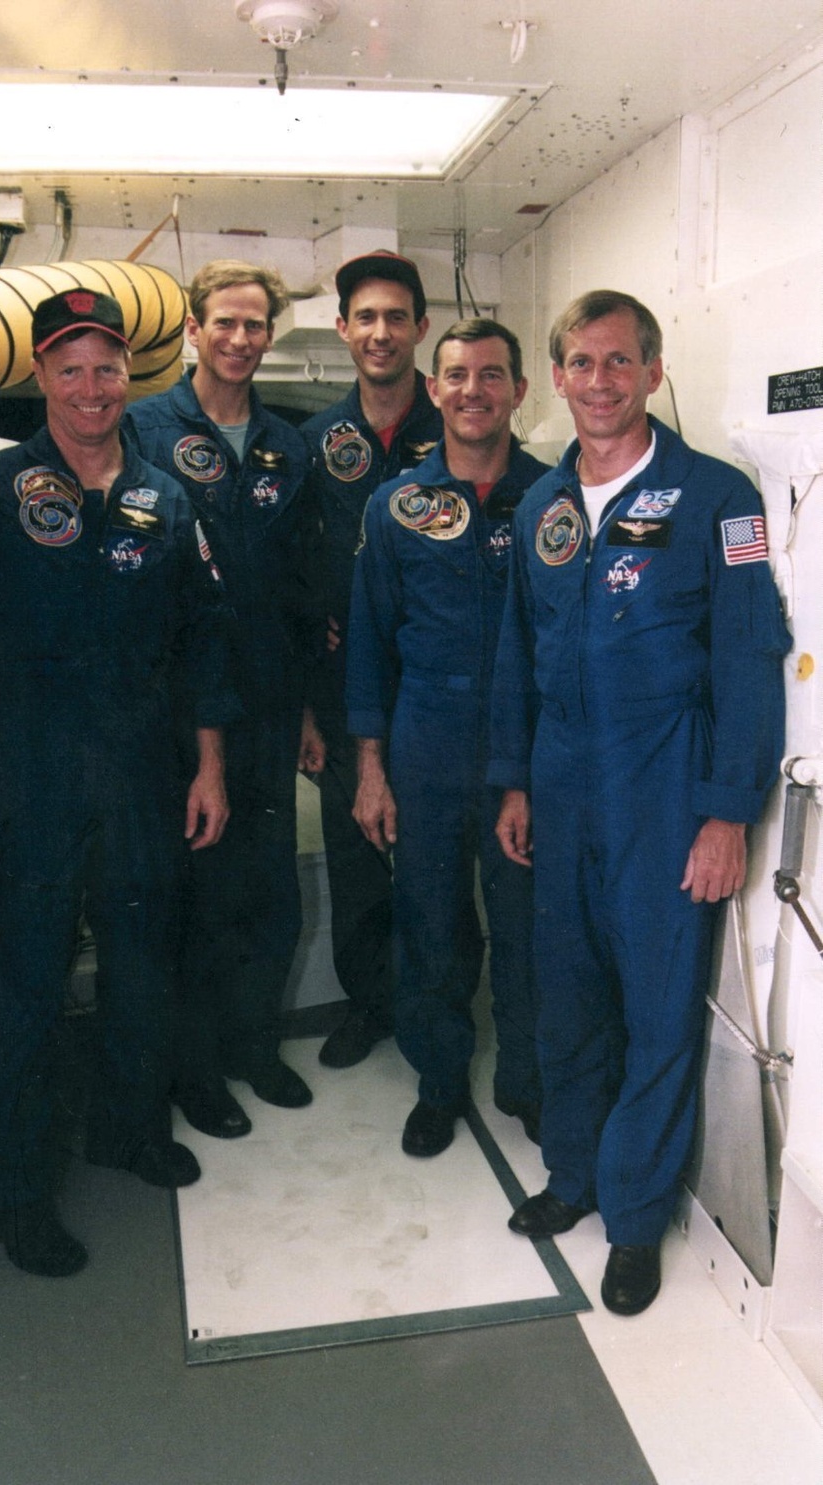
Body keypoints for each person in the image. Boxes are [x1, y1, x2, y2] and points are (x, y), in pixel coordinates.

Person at [0, 289, 234, 1277]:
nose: (90, 387)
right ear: (41, 377)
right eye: (70, 367)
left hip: (140, 775)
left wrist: (211, 766)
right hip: (28, 778)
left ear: (126, 376)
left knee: (141, 970)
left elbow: (204, 645)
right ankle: (12, 1195)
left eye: (106, 367)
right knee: (25, 988)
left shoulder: (164, 496)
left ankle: (127, 1131)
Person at [491, 289, 789, 1315]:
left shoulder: (719, 497)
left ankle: (629, 1220)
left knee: (657, 1018)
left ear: (653, 373)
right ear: (559, 378)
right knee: (567, 1001)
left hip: (663, 795)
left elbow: (751, 660)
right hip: (564, 793)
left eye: (620, 361)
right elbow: (518, 655)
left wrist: (723, 813)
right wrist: (518, 784)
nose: (601, 381)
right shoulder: (543, 508)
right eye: (580, 362)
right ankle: (571, 1177)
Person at [125, 260, 325, 1140]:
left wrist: (313, 714)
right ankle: (196, 1070)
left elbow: (305, 589)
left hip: (274, 706)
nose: (241, 339)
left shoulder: (290, 444)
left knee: (269, 890)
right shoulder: (142, 427)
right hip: (177, 715)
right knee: (198, 897)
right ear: (194, 331)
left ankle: (253, 1046)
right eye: (225, 323)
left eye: (256, 324)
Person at [346, 318, 549, 1157]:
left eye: (491, 375)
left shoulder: (555, 499)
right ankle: (438, 1080)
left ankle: (528, 1081)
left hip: (528, 749)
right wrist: (371, 768)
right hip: (425, 738)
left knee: (528, 922)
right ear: (434, 390)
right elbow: (368, 641)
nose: (473, 390)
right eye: (457, 375)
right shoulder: (396, 506)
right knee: (430, 919)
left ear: (519, 391)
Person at [302, 249, 442, 1070]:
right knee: (357, 860)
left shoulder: (459, 426)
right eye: (367, 317)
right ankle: (369, 1005)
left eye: (397, 317)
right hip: (340, 683)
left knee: (432, 865)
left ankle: (434, 1017)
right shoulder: (315, 442)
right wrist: (307, 708)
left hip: (432, 689)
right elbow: (294, 578)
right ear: (343, 328)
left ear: (421, 329)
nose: (381, 333)